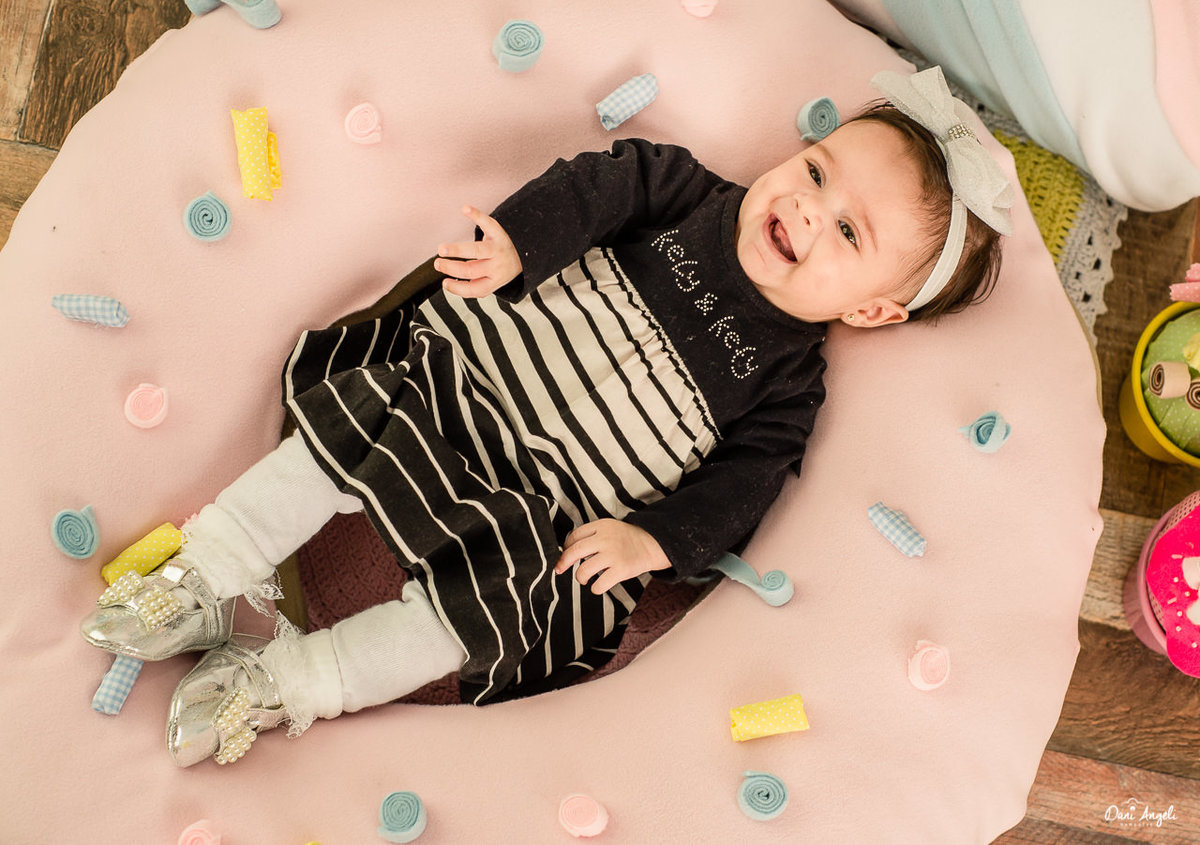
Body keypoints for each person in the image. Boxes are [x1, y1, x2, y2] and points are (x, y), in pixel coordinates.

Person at [80, 66, 1012, 767]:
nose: (806, 210)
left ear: (871, 311)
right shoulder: (683, 191)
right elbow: (594, 187)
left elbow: (741, 490)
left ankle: (287, 684)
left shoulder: (788, 387)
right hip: (463, 379)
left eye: (847, 231)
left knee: (481, 615)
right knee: (347, 430)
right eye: (815, 171)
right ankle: (207, 571)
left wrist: (654, 541)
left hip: (541, 505)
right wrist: (520, 244)